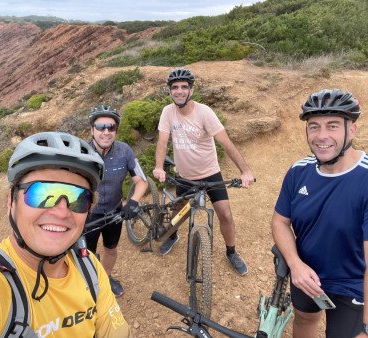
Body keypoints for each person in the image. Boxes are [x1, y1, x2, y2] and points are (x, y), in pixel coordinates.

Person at [0, 131, 133, 338]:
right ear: (11, 202)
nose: (61, 211)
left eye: (78, 198)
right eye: (42, 193)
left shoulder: (90, 268)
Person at [271, 89, 368, 338]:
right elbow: (280, 222)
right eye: (314, 127)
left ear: (352, 130)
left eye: (332, 126)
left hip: (353, 286)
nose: (321, 136)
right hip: (307, 275)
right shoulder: (298, 171)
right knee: (304, 319)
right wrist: (296, 265)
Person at [152, 68, 255, 276]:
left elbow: (226, 143)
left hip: (210, 173)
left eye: (184, 87)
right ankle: (173, 236)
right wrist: (158, 166)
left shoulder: (204, 112)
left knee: (225, 214)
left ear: (191, 90)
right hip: (184, 176)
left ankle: (231, 252)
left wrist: (245, 171)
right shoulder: (167, 112)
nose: (179, 91)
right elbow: (162, 142)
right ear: (170, 91)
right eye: (175, 87)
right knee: (179, 210)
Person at [86, 104, 148, 297]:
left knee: (111, 250)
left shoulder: (125, 151)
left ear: (116, 130)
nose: (106, 131)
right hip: (87, 216)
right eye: (101, 126)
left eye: (111, 127)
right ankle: (87, 284)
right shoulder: (81, 152)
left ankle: (105, 278)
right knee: (86, 255)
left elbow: (141, 181)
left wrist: (133, 202)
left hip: (114, 212)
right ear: (92, 130)